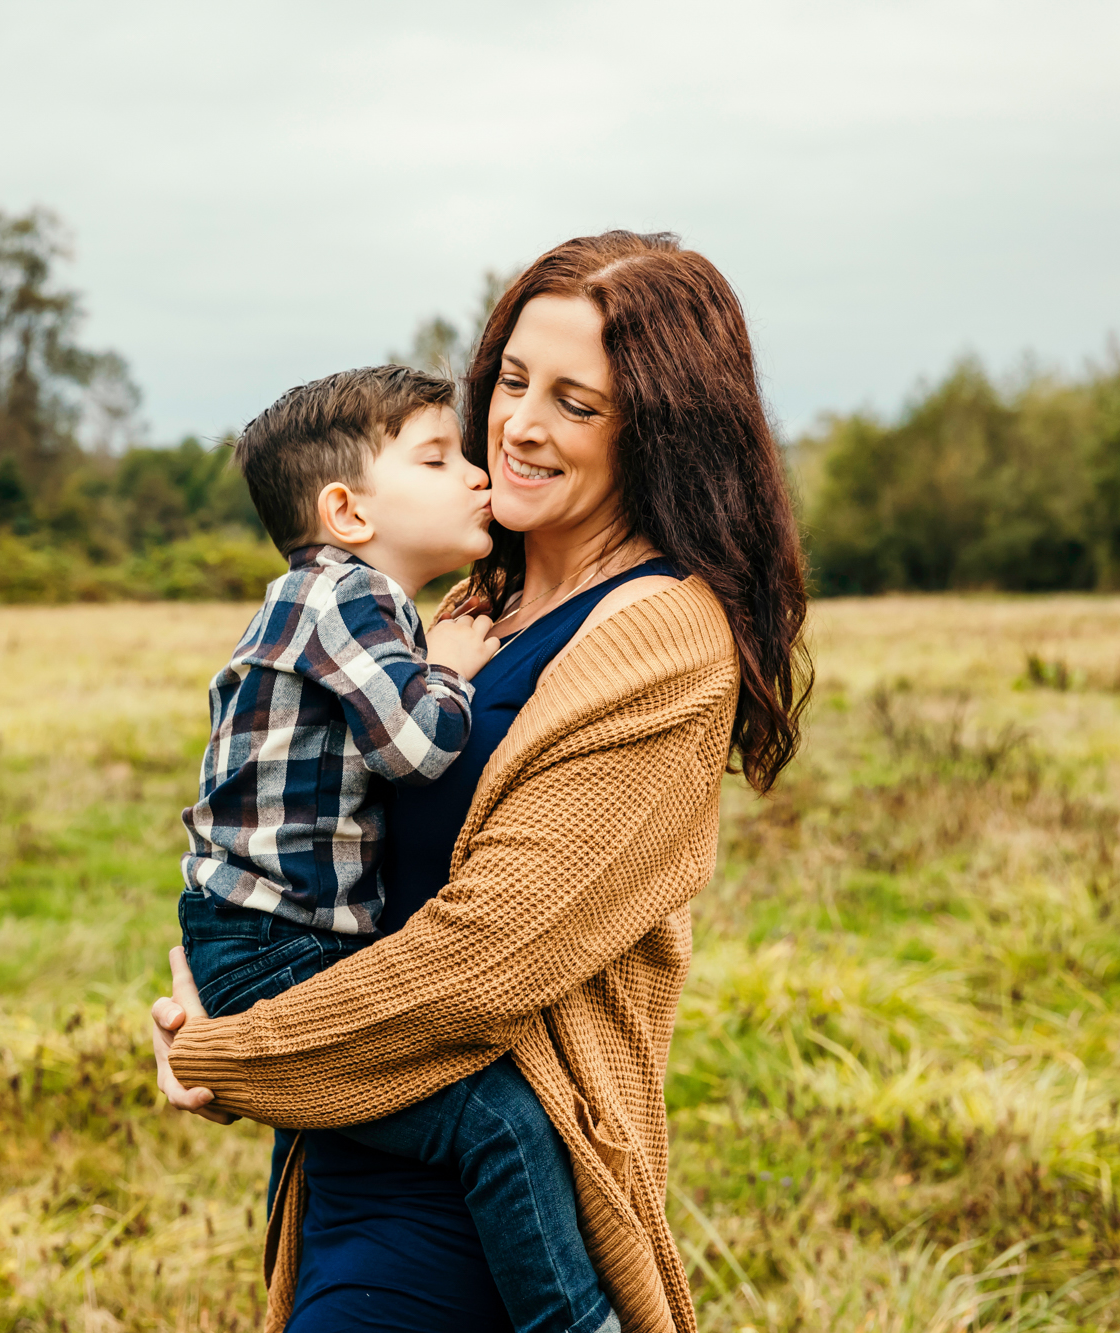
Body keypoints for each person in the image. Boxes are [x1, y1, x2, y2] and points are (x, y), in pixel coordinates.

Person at [154, 230, 811, 1333]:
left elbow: (482, 962)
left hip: (493, 1202)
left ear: (656, 432)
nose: (516, 425)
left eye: (575, 402)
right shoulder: (458, 612)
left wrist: (231, 1054)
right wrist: (224, 978)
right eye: (508, 379)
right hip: (349, 1147)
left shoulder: (659, 637)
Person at [177, 363, 619, 1333]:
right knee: (495, 1119)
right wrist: (451, 669)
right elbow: (418, 744)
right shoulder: (346, 600)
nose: (474, 473)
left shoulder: (321, 600)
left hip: (257, 932)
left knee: (352, 1110)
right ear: (345, 509)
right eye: (436, 457)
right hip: (274, 944)